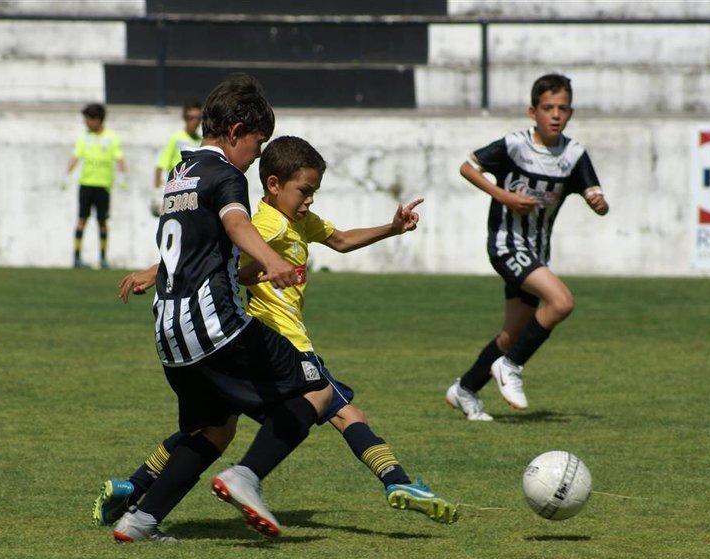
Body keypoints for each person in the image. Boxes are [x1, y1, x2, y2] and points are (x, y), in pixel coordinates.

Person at [94, 136, 460, 530]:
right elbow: (212, 251)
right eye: (304, 191)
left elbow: (339, 241)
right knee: (338, 408)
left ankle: (136, 489)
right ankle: (395, 482)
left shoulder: (299, 222)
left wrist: (391, 228)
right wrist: (153, 272)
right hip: (279, 344)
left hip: (255, 342)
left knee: (213, 428)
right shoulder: (266, 225)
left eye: (314, 192)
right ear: (272, 185)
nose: (310, 201)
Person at [106, 74, 334, 543]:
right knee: (317, 392)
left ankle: (141, 520)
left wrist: (155, 272)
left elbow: (193, 241)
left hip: (170, 333)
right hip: (216, 327)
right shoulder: (227, 175)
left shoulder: (179, 175)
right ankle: (245, 476)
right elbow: (234, 223)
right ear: (234, 131)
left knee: (214, 427)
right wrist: (272, 260)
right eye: (257, 143)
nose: (255, 156)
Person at [445, 73, 609, 420]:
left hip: (536, 251)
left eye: (562, 108)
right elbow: (468, 167)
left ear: (570, 113)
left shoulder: (574, 154)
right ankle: (511, 366)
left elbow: (594, 192)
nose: (555, 115)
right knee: (562, 301)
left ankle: (465, 389)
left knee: (512, 333)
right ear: (532, 111)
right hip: (507, 244)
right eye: (547, 107)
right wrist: (504, 196)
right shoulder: (515, 145)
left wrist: (598, 203)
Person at [65, 103, 127, 269]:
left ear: (97, 119)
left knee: (102, 222)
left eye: (88, 119)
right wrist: (66, 175)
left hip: (103, 186)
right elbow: (75, 156)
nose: (86, 123)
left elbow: (119, 158)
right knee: (81, 220)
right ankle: (77, 257)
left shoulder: (111, 138)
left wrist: (122, 176)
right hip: (86, 185)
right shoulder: (84, 137)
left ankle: (103, 258)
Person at [151, 100, 203, 216]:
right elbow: (160, 166)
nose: (195, 121)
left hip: (194, 195)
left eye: (198, 118)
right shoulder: (176, 139)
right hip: (176, 194)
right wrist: (157, 192)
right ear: (184, 118)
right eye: (191, 117)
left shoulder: (202, 141)